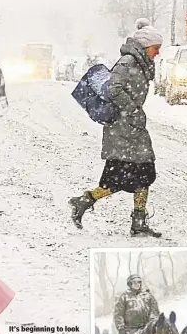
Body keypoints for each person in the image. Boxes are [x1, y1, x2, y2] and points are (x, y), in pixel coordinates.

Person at [69, 18, 162, 237]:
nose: (157, 53)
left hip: (133, 127)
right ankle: (83, 201)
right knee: (121, 177)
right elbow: (113, 88)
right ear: (145, 46)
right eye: (155, 48)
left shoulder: (139, 63)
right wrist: (132, 109)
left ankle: (137, 221)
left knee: (144, 173)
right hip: (122, 128)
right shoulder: (127, 62)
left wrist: (135, 114)